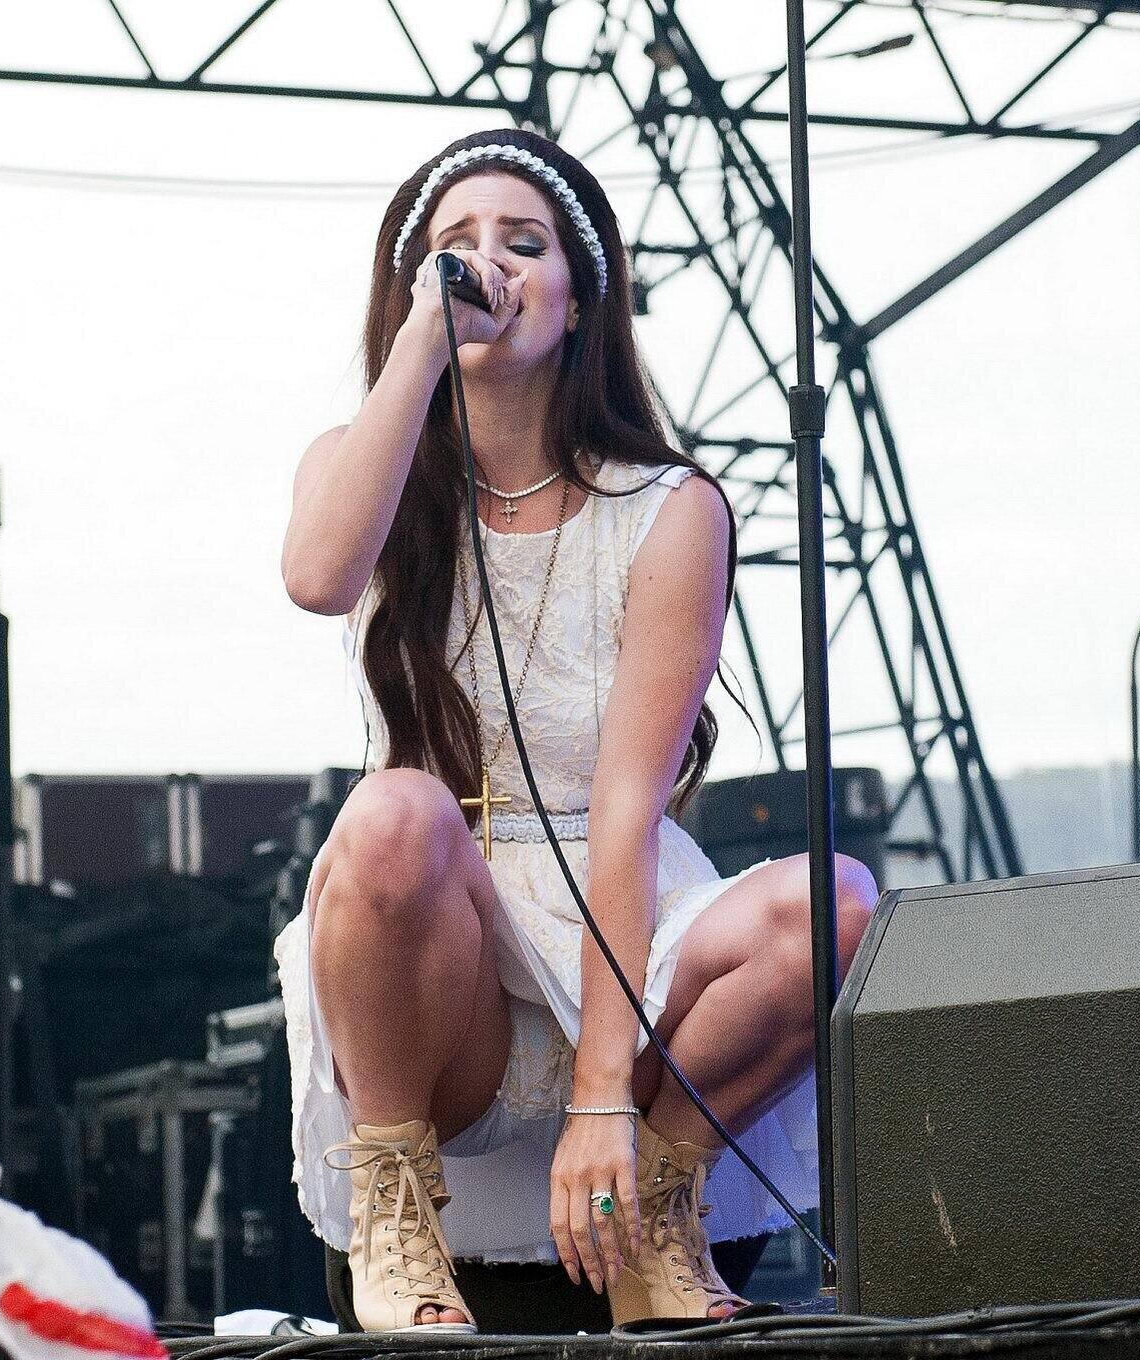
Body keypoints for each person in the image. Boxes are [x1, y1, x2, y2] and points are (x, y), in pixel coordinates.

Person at [273, 128, 878, 1332]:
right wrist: (422, 341)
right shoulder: (357, 465)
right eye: (454, 247)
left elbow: (625, 804)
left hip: (618, 905)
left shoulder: (670, 507)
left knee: (839, 903)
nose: (487, 264)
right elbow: (317, 577)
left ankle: (659, 1197)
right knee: (393, 810)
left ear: (581, 294)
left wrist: (604, 1088)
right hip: (439, 934)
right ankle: (397, 1206)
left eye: (524, 242)